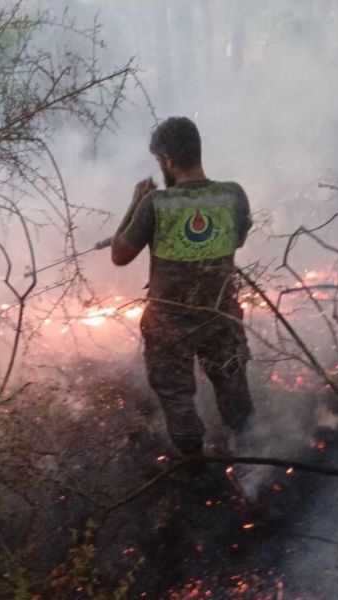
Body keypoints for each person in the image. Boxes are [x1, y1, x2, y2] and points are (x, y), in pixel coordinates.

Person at [111, 116, 253, 457]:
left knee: (177, 397)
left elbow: (119, 255)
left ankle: (194, 465)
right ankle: (251, 458)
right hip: (220, 316)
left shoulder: (154, 205)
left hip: (169, 326)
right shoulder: (233, 195)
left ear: (167, 160)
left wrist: (135, 203)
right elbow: (238, 238)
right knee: (233, 389)